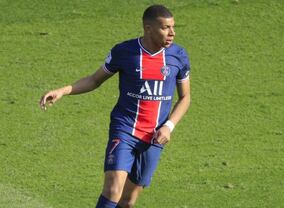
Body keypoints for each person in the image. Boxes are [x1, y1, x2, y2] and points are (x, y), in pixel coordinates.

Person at [39, 4, 191, 208]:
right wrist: (63, 90)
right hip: (125, 129)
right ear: (148, 29)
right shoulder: (125, 52)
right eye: (165, 28)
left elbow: (185, 97)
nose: (172, 33)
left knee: (127, 202)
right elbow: (94, 80)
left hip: (156, 136)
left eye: (173, 27)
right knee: (112, 189)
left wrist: (169, 126)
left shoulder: (178, 56)